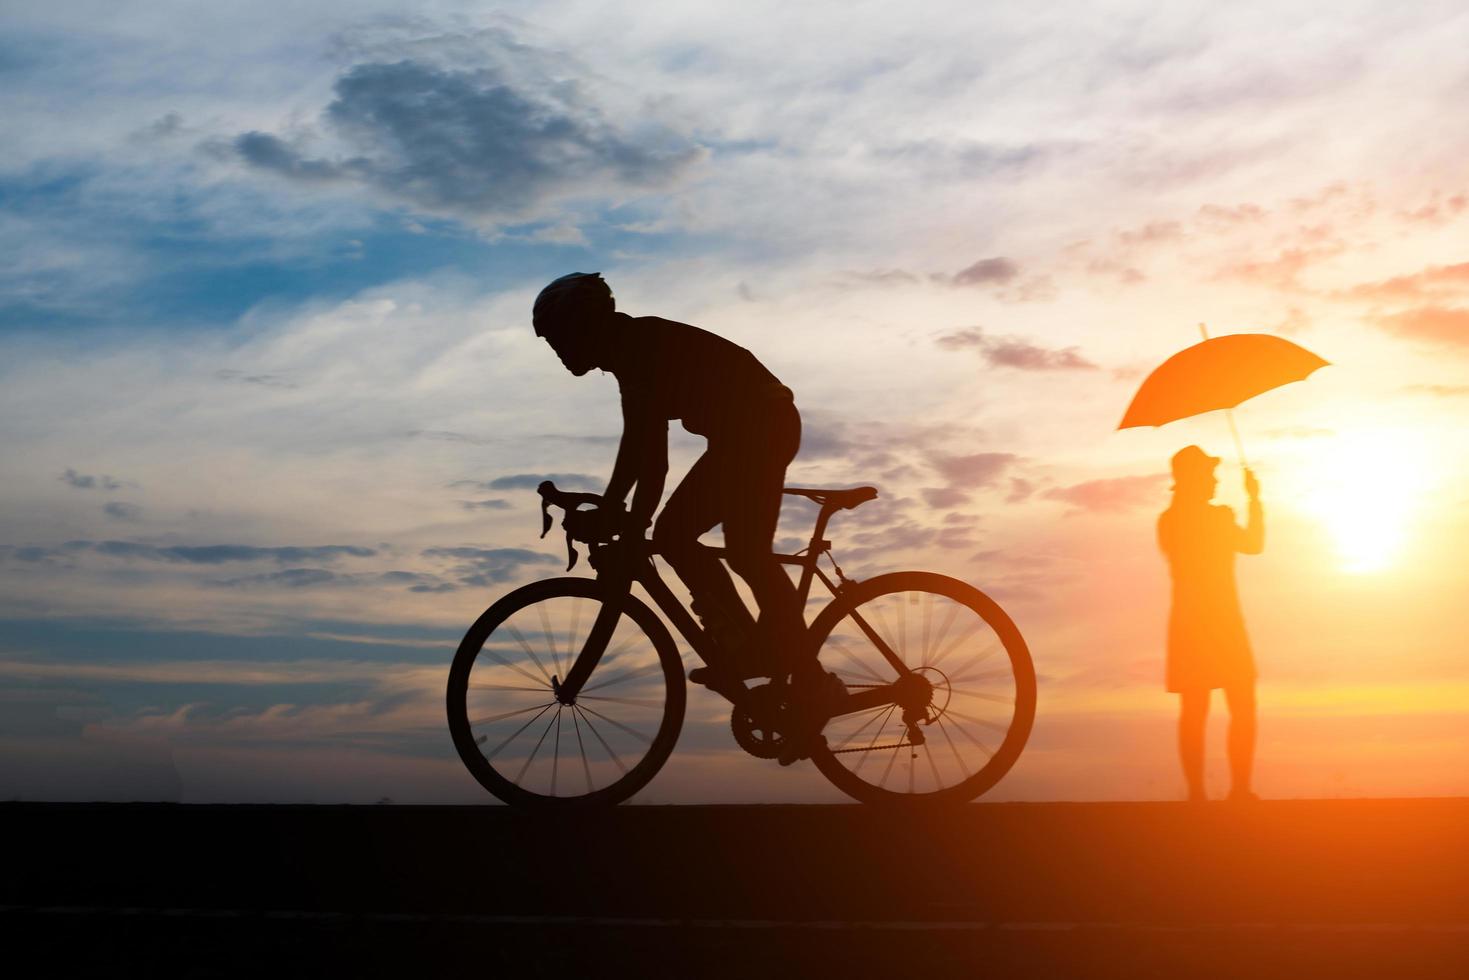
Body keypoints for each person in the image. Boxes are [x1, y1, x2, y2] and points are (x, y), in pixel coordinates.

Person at [532, 272, 832, 762]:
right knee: (685, 539)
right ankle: (757, 647)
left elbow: (652, 460)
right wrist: (615, 510)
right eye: (552, 343)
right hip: (748, 431)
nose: (558, 351)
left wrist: (626, 517)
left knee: (736, 550)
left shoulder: (638, 348)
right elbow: (639, 447)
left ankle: (804, 675)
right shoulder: (629, 352)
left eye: (560, 338)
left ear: (586, 326)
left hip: (761, 427)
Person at [1157, 445, 1264, 802]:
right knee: (1240, 705)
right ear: (1194, 479)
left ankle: (1198, 795)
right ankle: (1239, 790)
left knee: (1195, 710)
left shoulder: (1168, 521)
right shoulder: (1216, 518)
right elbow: (1254, 545)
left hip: (1190, 623)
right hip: (1222, 621)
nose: (1215, 478)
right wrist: (1254, 500)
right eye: (1208, 473)